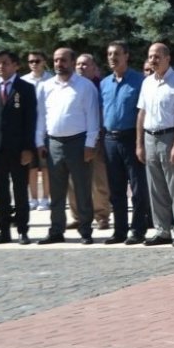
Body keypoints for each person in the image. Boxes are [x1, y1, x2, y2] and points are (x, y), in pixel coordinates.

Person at [34, 48, 100, 245]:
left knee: (82, 189)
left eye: (63, 60)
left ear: (72, 62)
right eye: (55, 61)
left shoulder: (85, 86)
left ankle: (86, 230)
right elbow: (41, 116)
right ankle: (56, 230)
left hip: (78, 143)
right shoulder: (45, 86)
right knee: (56, 191)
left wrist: (90, 145)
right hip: (53, 143)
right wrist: (39, 141)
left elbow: (92, 117)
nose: (59, 64)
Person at [0, 50, 38, 245]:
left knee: (20, 190)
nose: (0, 67)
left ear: (15, 65)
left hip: (19, 148)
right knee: (1, 191)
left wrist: (29, 148)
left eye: (4, 63)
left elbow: (30, 120)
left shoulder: (25, 88)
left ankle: (22, 229)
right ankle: (3, 230)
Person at [135, 43, 174, 247]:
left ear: (168, 58)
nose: (153, 60)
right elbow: (141, 113)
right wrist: (139, 143)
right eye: (150, 56)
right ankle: (162, 230)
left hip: (169, 137)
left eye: (157, 56)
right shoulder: (147, 83)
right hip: (150, 137)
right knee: (155, 187)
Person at [99, 42, 150, 245]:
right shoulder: (104, 83)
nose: (113, 57)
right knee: (116, 189)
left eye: (117, 54)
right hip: (110, 139)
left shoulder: (139, 81)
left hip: (131, 137)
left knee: (138, 188)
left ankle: (138, 230)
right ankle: (119, 230)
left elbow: (143, 113)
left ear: (126, 56)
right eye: (109, 54)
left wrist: (140, 142)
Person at [71, 53, 111, 231]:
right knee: (73, 180)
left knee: (99, 180)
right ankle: (77, 215)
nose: (81, 67)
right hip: (74, 138)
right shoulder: (70, 85)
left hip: (97, 137)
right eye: (78, 64)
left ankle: (102, 215)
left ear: (94, 68)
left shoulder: (101, 86)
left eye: (85, 65)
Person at [23, 51, 53, 211]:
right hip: (30, 128)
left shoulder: (51, 79)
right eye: (31, 61)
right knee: (31, 167)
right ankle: (33, 198)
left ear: (44, 61)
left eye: (37, 60)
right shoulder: (24, 80)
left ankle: (45, 198)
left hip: (47, 128)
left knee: (46, 166)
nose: (34, 64)